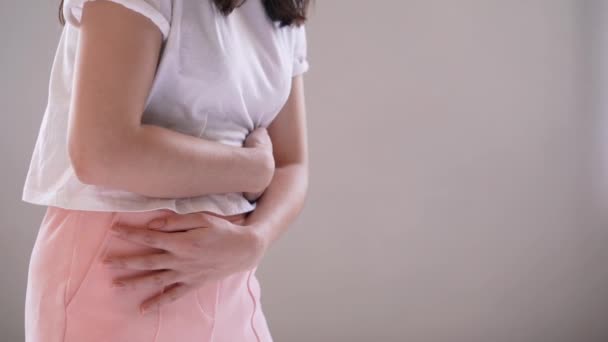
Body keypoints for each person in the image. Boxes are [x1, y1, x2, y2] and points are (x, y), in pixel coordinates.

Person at [21, 0, 311, 341]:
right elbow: (101, 151)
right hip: (121, 273)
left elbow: (292, 163)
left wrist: (255, 239)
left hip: (228, 277)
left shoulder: (280, 7)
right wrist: (253, 171)